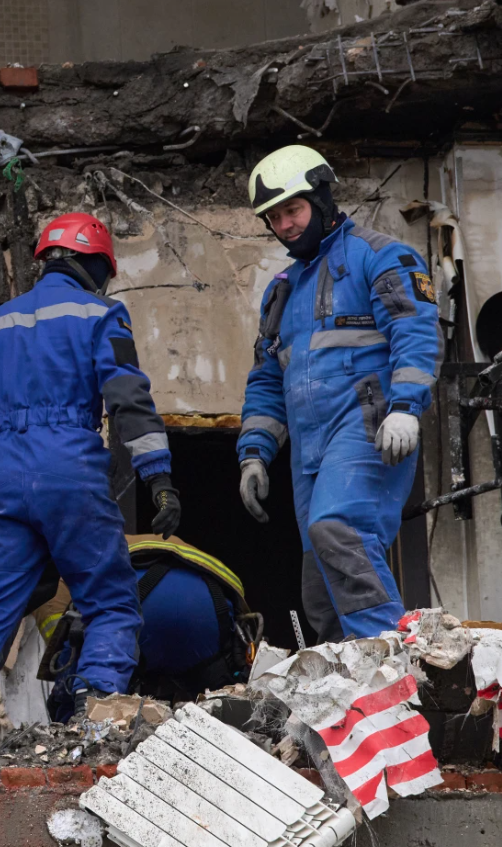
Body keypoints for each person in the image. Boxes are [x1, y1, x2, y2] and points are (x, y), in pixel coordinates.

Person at [0, 212, 182, 740]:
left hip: (3, 482)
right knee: (109, 601)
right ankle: (94, 707)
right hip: (71, 475)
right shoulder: (102, 315)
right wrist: (159, 478)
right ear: (94, 265)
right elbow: (128, 399)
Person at [238, 146, 441, 642]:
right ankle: (348, 698)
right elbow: (267, 379)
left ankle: (388, 661)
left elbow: (415, 332)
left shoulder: (379, 255)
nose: (284, 225)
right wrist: (254, 454)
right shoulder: (280, 291)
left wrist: (406, 408)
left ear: (322, 199)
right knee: (321, 588)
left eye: (293, 210)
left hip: (367, 424)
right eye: (274, 217)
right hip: (310, 447)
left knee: (340, 529)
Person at [37, 536, 259, 721]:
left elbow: (72, 651)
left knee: (86, 702)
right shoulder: (109, 540)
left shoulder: (52, 578)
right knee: (227, 713)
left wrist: (66, 712)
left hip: (143, 602)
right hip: (213, 605)